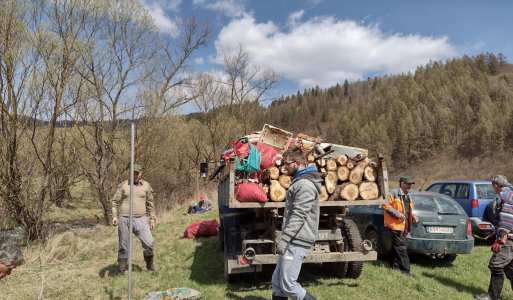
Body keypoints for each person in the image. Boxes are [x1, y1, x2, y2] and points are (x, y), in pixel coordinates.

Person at [271, 146, 321, 300]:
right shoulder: (299, 182)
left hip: (297, 241)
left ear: (297, 163)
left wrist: (285, 240)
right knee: (277, 283)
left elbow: (298, 216)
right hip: (292, 239)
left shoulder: (305, 185)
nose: (284, 167)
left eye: (287, 163)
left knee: (288, 285)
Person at [111, 163, 158, 273]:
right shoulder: (123, 185)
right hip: (124, 219)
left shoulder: (146, 186)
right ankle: (121, 269)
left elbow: (151, 203)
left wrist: (152, 219)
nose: (135, 175)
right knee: (123, 245)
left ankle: (150, 264)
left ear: (141, 173)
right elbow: (114, 201)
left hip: (141, 219)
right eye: (133, 173)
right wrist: (114, 216)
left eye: (137, 173)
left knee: (149, 242)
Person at [475, 175, 513, 300]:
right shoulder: (511, 194)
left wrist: (500, 238)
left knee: (496, 265)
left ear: (496, 185)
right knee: (509, 268)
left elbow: (506, 219)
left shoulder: (505, 196)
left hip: (508, 239)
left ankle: (492, 296)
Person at [383, 176, 419, 276]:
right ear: (402, 184)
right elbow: (385, 205)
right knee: (401, 247)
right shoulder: (392, 193)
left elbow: (408, 210)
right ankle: (406, 270)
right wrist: (397, 214)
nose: (410, 186)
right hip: (395, 225)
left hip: (405, 226)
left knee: (396, 246)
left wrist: (414, 216)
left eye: (411, 185)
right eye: (408, 184)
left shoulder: (408, 195)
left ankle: (394, 266)